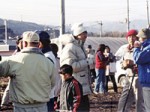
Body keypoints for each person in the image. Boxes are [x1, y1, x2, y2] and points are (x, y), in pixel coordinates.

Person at [0, 31, 56, 112]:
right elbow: (52, 83)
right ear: (38, 43)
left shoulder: (13, 60)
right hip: (42, 106)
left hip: (21, 107)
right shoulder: (48, 62)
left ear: (24, 43)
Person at [59, 23, 92, 111]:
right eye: (83, 33)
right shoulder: (70, 47)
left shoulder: (80, 46)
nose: (86, 35)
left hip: (82, 87)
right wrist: (87, 61)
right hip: (75, 88)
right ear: (78, 34)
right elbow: (69, 68)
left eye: (86, 33)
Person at [116, 29, 145, 112]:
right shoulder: (125, 49)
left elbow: (143, 61)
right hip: (128, 77)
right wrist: (123, 65)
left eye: (133, 36)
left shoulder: (141, 48)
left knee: (139, 102)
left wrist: (133, 64)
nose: (131, 38)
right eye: (129, 37)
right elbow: (122, 61)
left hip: (138, 78)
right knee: (123, 102)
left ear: (137, 38)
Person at [37, 31, 61, 112]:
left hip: (45, 96)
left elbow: (45, 78)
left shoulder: (46, 57)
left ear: (40, 43)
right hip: (48, 95)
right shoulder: (48, 54)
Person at [1, 36, 23, 108]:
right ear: (18, 44)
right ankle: (4, 102)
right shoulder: (16, 53)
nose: (22, 44)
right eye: (20, 43)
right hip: (15, 72)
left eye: (23, 42)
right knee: (9, 87)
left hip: (22, 72)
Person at [133, 28, 150, 112]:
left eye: (139, 38)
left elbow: (138, 59)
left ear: (143, 38)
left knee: (148, 108)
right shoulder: (145, 47)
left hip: (148, 83)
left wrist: (136, 48)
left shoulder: (148, 48)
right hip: (147, 82)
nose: (138, 39)